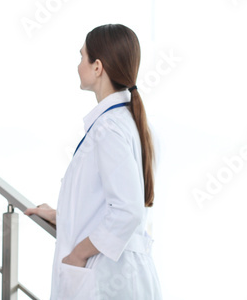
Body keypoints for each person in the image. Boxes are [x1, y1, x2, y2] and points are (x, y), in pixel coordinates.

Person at [25, 24, 161, 299]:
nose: (78, 65)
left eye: (82, 56)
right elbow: (107, 199)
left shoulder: (109, 129)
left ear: (97, 67)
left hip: (107, 277)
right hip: (121, 275)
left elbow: (127, 210)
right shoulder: (124, 122)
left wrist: (78, 254)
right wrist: (62, 215)